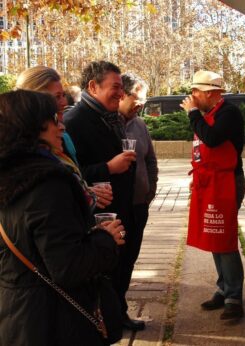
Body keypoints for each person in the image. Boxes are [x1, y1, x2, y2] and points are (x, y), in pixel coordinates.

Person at [0, 90, 125, 345]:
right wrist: (106, 238)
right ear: (35, 126)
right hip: (53, 319)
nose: (61, 126)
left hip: (17, 312)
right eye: (54, 119)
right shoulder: (46, 183)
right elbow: (68, 266)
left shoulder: (10, 174)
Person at [64, 61, 144, 331]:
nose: (121, 94)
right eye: (115, 88)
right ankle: (103, 322)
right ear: (92, 86)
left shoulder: (111, 117)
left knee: (123, 267)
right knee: (106, 273)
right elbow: (70, 174)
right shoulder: (74, 121)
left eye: (122, 88)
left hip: (125, 208)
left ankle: (117, 313)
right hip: (99, 215)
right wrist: (108, 167)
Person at [180, 70, 245, 320]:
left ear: (210, 93)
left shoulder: (228, 113)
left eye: (195, 92)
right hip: (211, 183)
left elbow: (212, 139)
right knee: (213, 234)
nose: (192, 97)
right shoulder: (210, 113)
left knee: (224, 236)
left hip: (227, 183)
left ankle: (234, 296)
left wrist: (192, 114)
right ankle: (223, 287)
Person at [15, 66, 113, 211]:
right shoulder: (17, 149)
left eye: (63, 95)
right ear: (34, 101)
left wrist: (87, 191)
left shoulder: (63, 138)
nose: (64, 103)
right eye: (56, 97)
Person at [119, 73, 158, 277]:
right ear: (122, 95)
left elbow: (150, 160)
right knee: (116, 261)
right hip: (117, 207)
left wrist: (150, 190)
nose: (141, 105)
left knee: (130, 259)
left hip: (139, 205)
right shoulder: (108, 124)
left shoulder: (140, 125)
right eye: (138, 98)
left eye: (144, 100)